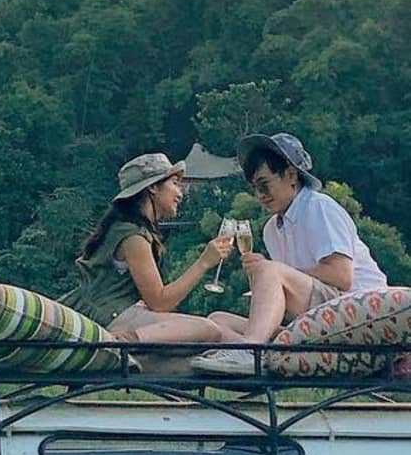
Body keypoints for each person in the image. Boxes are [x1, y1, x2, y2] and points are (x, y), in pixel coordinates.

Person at [194, 131, 386, 375]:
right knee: (218, 320)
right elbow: (287, 290)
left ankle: (250, 351)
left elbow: (341, 276)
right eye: (255, 188)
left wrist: (273, 272)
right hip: (313, 314)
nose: (260, 195)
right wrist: (264, 278)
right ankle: (255, 356)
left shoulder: (319, 207)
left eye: (265, 185)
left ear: (292, 176)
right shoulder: (272, 229)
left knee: (270, 269)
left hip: (356, 308)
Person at [64, 152, 231, 346]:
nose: (181, 193)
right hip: (111, 317)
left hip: (114, 313)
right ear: (152, 187)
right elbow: (160, 302)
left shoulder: (128, 229)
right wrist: (204, 262)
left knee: (222, 327)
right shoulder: (132, 236)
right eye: (175, 183)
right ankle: (125, 342)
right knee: (209, 329)